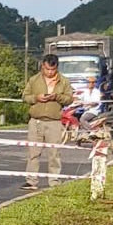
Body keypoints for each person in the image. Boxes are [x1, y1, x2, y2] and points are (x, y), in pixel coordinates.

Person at [21, 54, 73, 190]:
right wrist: (36, 98)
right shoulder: (34, 80)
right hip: (36, 121)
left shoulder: (64, 81)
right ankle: (31, 180)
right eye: (47, 69)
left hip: (54, 121)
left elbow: (69, 99)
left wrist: (57, 97)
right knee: (33, 152)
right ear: (42, 66)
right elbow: (25, 96)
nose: (49, 72)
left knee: (54, 153)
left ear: (56, 68)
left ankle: (54, 180)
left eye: (52, 70)